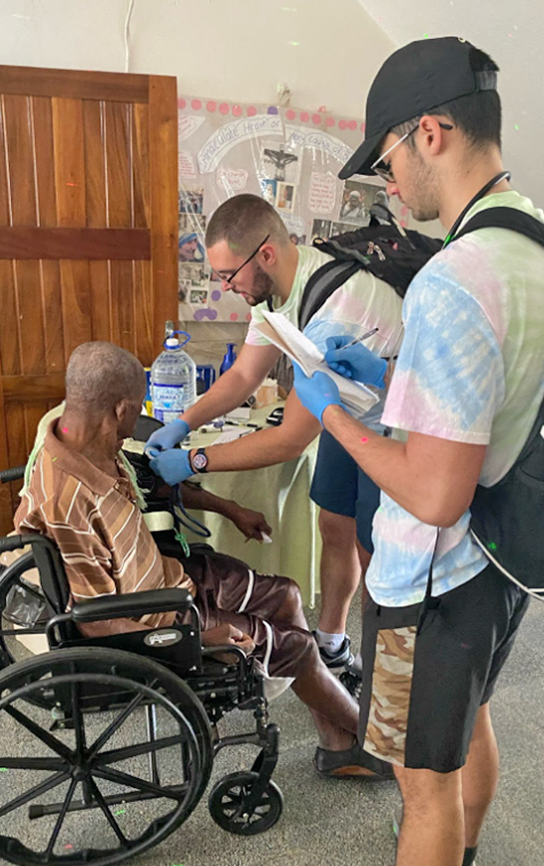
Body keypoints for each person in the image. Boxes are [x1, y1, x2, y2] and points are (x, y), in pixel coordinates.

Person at [292, 36, 544, 866]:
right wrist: (396, 373)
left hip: (432, 580)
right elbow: (496, 386)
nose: (389, 184)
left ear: (429, 131)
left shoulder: (453, 276)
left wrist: (330, 412)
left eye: (388, 158)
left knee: (419, 784)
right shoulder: (531, 240)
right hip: (500, 566)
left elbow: (434, 495)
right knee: (466, 731)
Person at [14, 341, 393, 779]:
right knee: (298, 646)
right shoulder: (67, 500)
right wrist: (206, 637)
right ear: (120, 410)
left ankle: (335, 744)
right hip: (153, 620)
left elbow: (155, 484)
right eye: (135, 413)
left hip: (165, 579)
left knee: (287, 593)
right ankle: (369, 741)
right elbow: (93, 620)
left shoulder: (84, 436)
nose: (133, 426)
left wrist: (230, 509)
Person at [146, 193, 403, 673]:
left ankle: (381, 670)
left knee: (376, 555)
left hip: (391, 429)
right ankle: (330, 640)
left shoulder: (336, 311)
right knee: (334, 525)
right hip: (345, 414)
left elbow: (288, 439)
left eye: (229, 275)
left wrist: (195, 461)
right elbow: (244, 376)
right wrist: (184, 422)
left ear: (264, 254)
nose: (226, 287)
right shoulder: (275, 294)